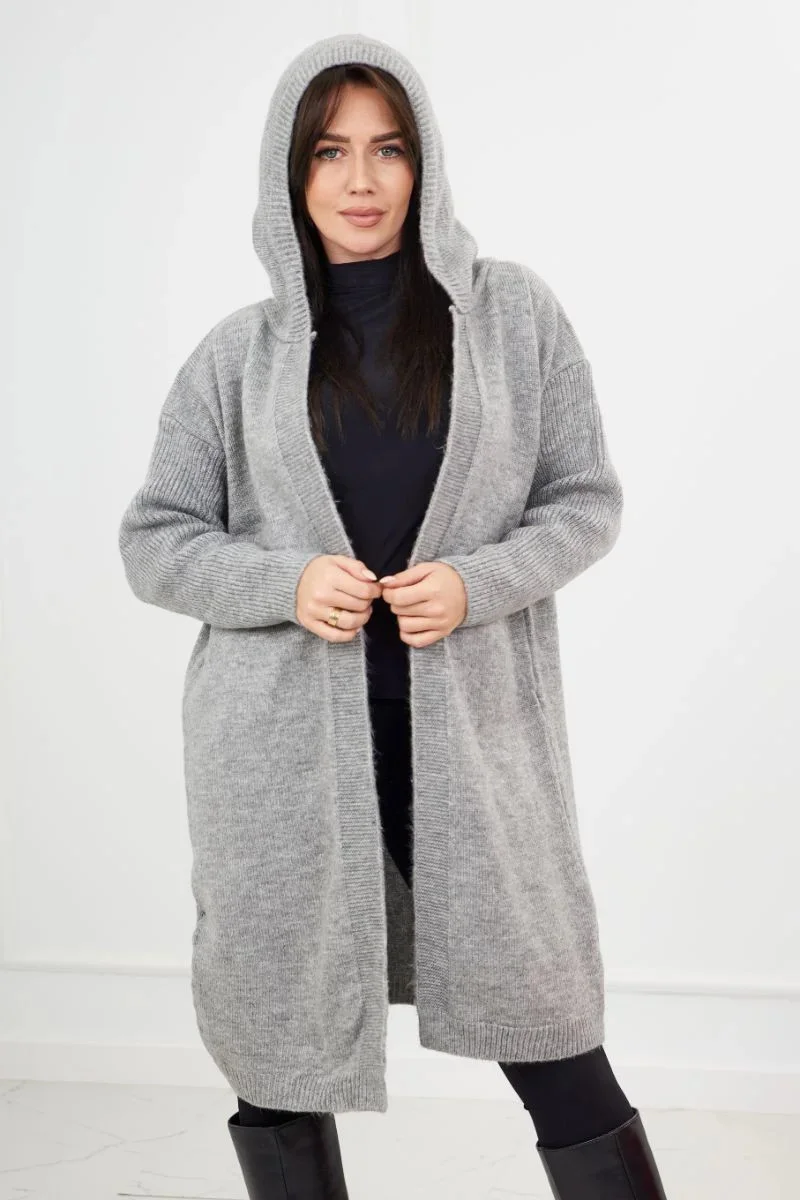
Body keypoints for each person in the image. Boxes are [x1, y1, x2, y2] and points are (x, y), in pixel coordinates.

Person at [118, 32, 669, 1200]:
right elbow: (156, 539)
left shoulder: (511, 317)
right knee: (278, 1046)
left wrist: (478, 582)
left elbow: (583, 501)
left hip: (468, 735)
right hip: (276, 755)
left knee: (548, 1022)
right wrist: (281, 583)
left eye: (388, 149)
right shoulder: (234, 357)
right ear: (289, 171)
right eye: (329, 151)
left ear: (426, 165)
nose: (360, 180)